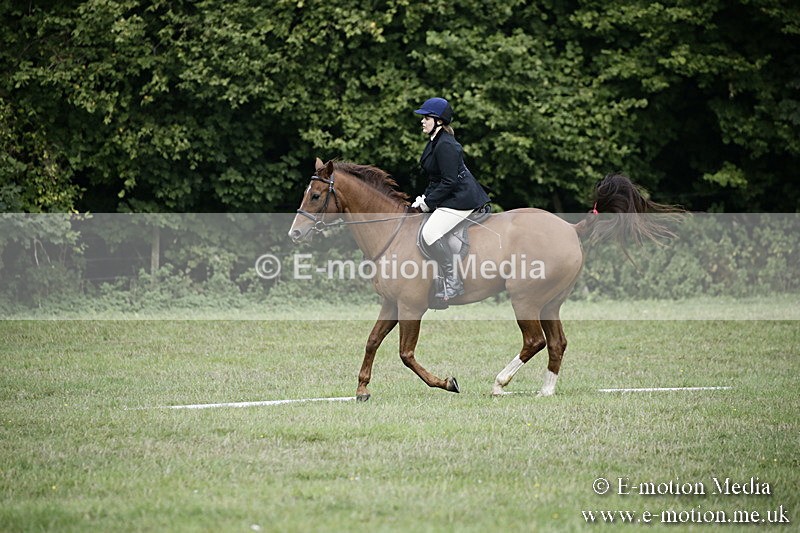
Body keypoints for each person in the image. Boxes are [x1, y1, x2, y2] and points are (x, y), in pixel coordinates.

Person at [411, 97, 490, 301]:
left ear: (438, 121)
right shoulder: (434, 142)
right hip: (450, 196)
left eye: (426, 117)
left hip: (461, 199)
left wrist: (429, 203)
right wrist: (424, 199)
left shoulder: (446, 145)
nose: (422, 121)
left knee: (430, 232)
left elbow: (449, 182)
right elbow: (435, 178)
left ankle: (453, 283)